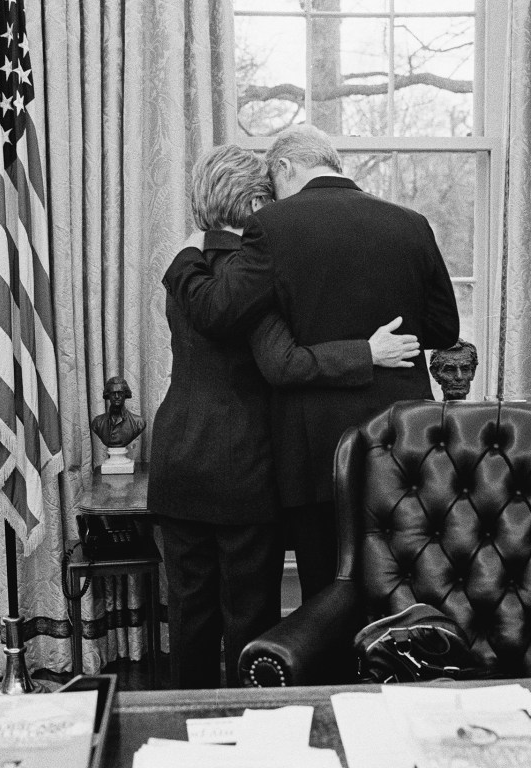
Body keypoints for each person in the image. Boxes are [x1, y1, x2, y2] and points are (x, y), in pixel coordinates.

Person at [148, 143, 420, 689]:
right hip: (243, 471)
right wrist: (366, 352)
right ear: (253, 205)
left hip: (176, 462)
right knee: (249, 622)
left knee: (189, 618)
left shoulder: (189, 271)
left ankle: (183, 734)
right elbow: (283, 364)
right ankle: (249, 732)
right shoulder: (255, 276)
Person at [164, 124, 459, 601]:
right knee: (403, 593)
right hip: (403, 445)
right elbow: (445, 329)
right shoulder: (412, 223)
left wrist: (183, 256)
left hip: (315, 453)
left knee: (328, 598)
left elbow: (217, 310)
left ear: (283, 167)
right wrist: (377, 345)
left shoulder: (274, 228)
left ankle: (328, 677)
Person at [90, 376, 146, 448]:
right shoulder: (97, 422)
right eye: (113, 393)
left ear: (125, 395)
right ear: (108, 395)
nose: (117, 396)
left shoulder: (138, 422)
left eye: (120, 393)